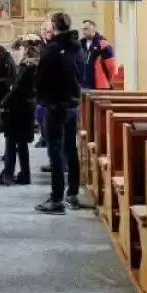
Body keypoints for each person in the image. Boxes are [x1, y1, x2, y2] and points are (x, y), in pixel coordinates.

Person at [34, 11, 82, 215]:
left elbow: (41, 78)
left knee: (55, 152)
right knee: (71, 149)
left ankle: (56, 200)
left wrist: (42, 98)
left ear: (53, 27)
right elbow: (81, 73)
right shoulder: (78, 46)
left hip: (55, 105)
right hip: (73, 104)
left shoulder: (53, 48)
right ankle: (73, 194)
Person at [0, 34, 41, 186]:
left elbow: (17, 88)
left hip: (19, 108)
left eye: (22, 48)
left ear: (27, 49)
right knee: (22, 144)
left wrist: (4, 102)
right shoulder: (37, 65)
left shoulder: (28, 66)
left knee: (11, 142)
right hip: (27, 106)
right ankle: (25, 175)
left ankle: (7, 175)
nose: (20, 51)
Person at [79, 20, 118, 91]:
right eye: (82, 29)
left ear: (93, 29)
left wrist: (107, 80)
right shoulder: (80, 45)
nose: (83, 32)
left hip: (100, 85)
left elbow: (112, 67)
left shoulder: (103, 45)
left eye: (86, 29)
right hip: (83, 85)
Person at [34, 18, 54, 150]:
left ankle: (47, 137)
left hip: (52, 84)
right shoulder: (38, 45)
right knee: (39, 113)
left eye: (47, 30)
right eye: (42, 29)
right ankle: (43, 135)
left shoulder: (54, 45)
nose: (44, 32)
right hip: (40, 84)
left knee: (47, 113)